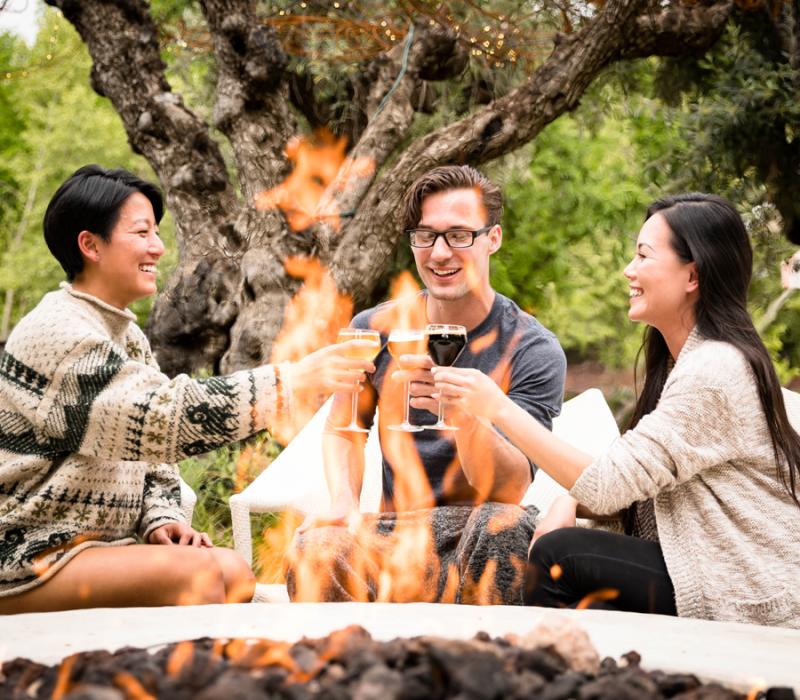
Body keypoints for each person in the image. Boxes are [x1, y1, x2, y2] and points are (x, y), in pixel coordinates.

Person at [0, 165, 374, 614]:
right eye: (142, 233)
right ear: (90, 245)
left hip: (102, 547)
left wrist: (162, 519)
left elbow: (154, 460)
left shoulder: (124, 335)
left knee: (235, 573)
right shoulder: (58, 332)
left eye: (156, 233)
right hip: (32, 556)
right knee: (203, 578)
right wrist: (293, 380)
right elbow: (162, 420)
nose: (158, 248)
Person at [432, 193, 800, 627]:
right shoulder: (687, 362)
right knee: (568, 570)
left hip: (747, 585)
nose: (629, 270)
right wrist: (566, 499)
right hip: (709, 568)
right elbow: (630, 480)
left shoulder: (715, 368)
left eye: (643, 256)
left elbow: (606, 486)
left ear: (692, 275)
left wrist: (495, 407)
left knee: (560, 556)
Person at [287, 165, 566, 604]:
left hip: (479, 528)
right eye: (426, 235)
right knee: (314, 550)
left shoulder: (532, 348)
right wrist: (343, 499)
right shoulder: (374, 328)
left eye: (459, 235)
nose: (439, 253)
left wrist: (462, 413)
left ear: (493, 238)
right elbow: (344, 428)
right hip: (394, 533)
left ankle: (488, 665)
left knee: (508, 530)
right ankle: (352, 669)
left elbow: (510, 490)